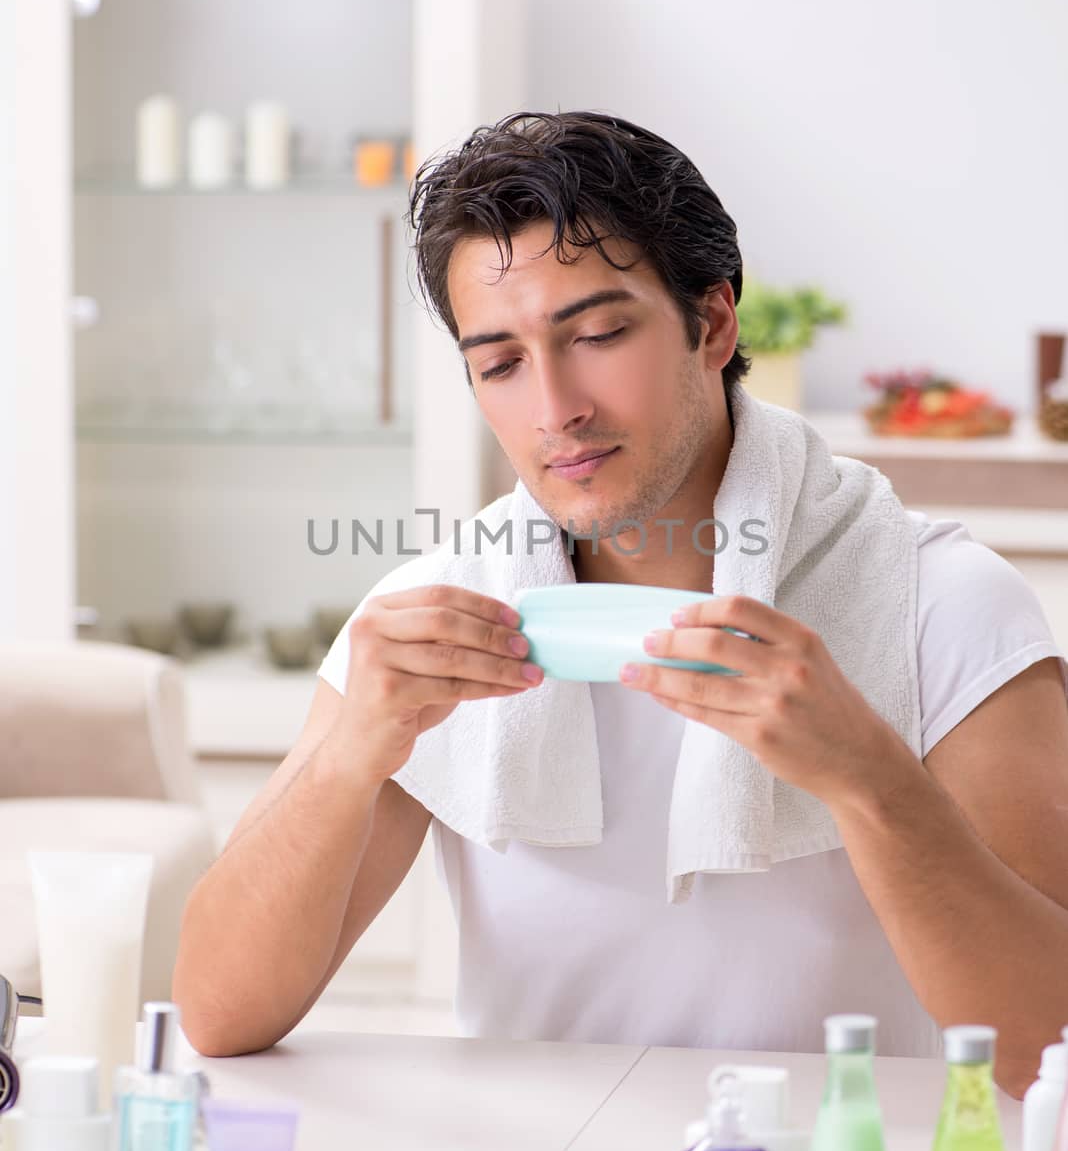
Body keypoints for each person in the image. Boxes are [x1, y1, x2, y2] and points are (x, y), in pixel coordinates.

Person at [174, 111, 1068, 1097]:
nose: (556, 408)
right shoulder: (435, 617)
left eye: (597, 333)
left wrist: (869, 779)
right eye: (501, 363)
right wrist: (347, 758)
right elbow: (217, 1012)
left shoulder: (939, 605)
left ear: (714, 322)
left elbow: (1051, 1049)